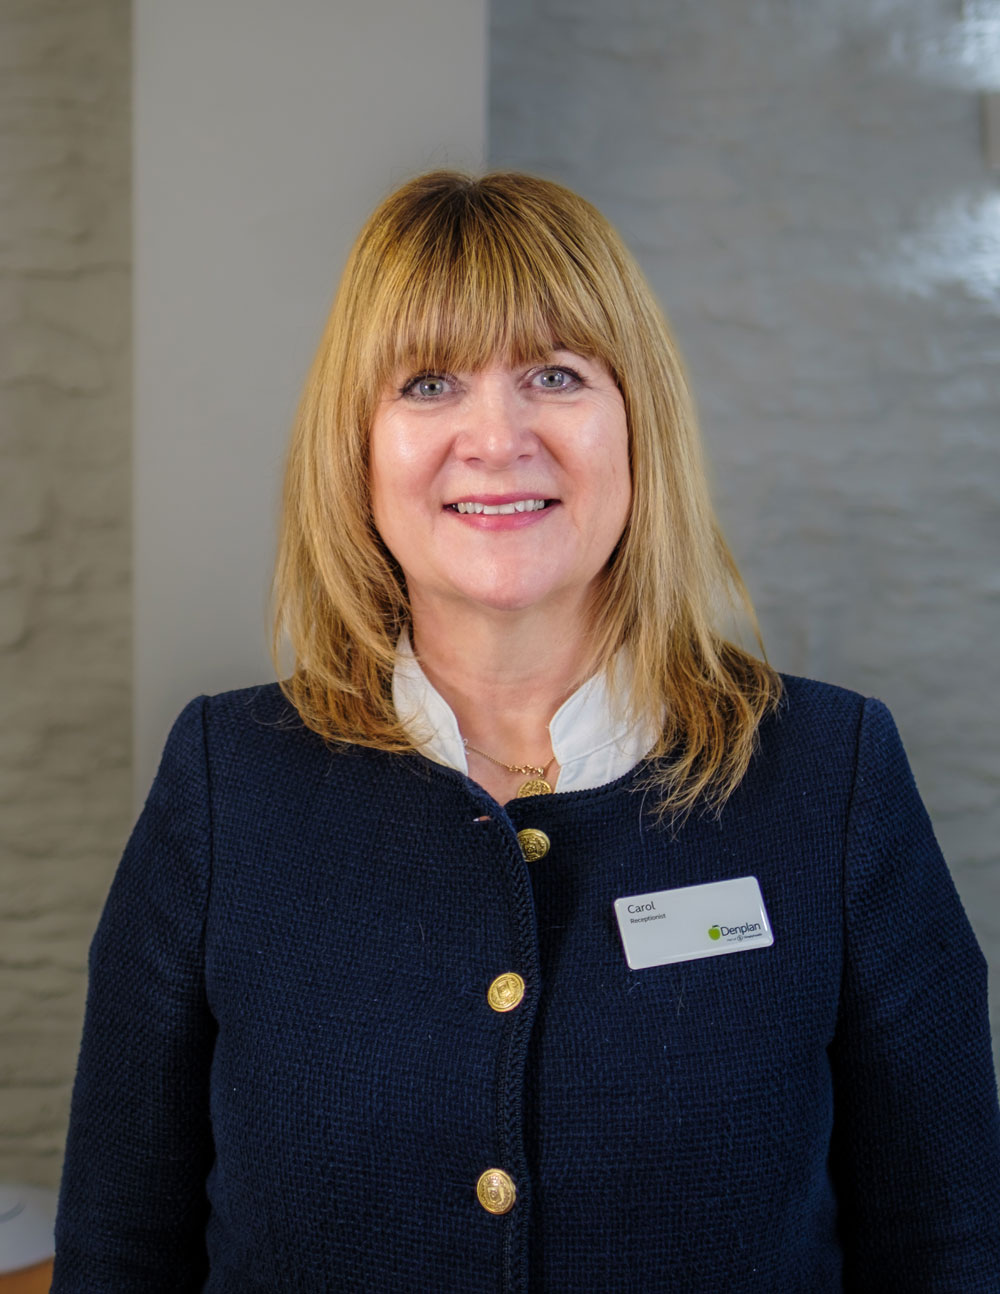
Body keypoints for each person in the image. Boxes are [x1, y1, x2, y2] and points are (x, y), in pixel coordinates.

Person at [53, 171, 1000, 1292]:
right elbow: (120, 1251)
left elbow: (949, 1246)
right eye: (429, 383)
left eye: (555, 375)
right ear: (356, 449)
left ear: (637, 421)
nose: (496, 439)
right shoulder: (227, 780)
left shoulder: (832, 773)